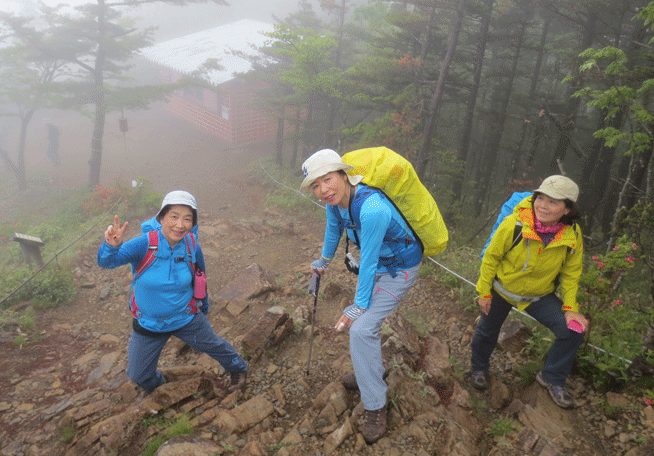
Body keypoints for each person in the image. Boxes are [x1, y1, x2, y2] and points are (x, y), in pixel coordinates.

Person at [301, 149, 423, 444]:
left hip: (399, 271)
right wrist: (323, 261)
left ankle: (375, 404)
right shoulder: (336, 203)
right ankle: (372, 373)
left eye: (328, 180)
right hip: (381, 265)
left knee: (361, 328)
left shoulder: (372, 209)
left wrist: (359, 305)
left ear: (344, 175)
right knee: (362, 330)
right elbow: (334, 230)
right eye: (316, 185)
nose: (323, 190)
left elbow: (366, 261)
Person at [97, 190, 248, 394]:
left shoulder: (192, 246)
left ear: (193, 223)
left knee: (214, 345)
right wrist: (111, 246)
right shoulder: (144, 244)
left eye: (187, 219)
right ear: (161, 218)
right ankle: (159, 386)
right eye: (174, 217)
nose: (179, 225)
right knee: (137, 374)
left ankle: (238, 368)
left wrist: (204, 309)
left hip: (185, 317)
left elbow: (200, 277)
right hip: (149, 323)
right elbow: (106, 262)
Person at [471, 175, 588, 409]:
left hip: (538, 296)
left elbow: (571, 274)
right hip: (502, 290)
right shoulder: (515, 224)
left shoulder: (572, 235)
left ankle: (552, 377)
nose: (543, 205)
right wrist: (483, 292)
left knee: (573, 331)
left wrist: (570, 309)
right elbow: (491, 258)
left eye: (553, 202)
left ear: (567, 209)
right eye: (540, 198)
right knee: (487, 330)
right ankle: (479, 368)